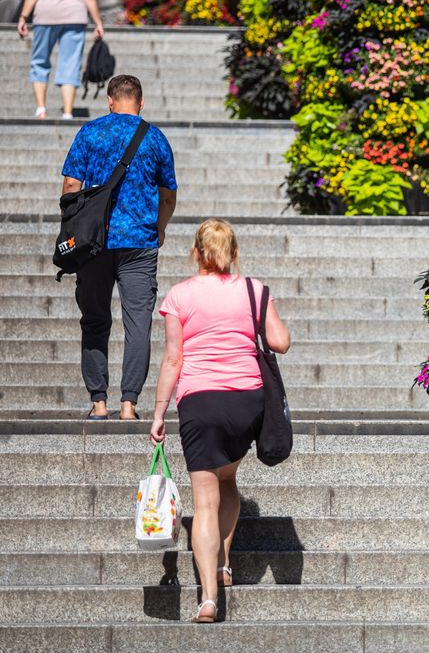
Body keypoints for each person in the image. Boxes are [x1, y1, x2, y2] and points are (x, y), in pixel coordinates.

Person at [149, 219, 291, 624]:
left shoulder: (179, 296)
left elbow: (174, 358)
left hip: (200, 404)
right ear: (234, 253)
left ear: (196, 253)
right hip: (247, 402)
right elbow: (280, 342)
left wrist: (159, 412)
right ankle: (224, 563)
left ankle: (209, 599)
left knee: (204, 502)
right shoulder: (255, 290)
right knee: (228, 480)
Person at [61, 74, 177, 422]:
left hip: (94, 242)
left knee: (94, 320)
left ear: (109, 101)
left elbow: (70, 185)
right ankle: (129, 405)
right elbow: (168, 194)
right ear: (140, 103)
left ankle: (99, 403)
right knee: (138, 323)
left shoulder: (90, 133)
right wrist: (159, 228)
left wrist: (75, 226)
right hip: (139, 242)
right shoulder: (154, 138)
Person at [17, 0, 105, 119]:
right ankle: (67, 112)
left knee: (40, 61)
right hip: (75, 15)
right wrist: (98, 22)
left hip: (46, 15)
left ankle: (41, 109)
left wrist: (23, 16)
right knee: (71, 63)